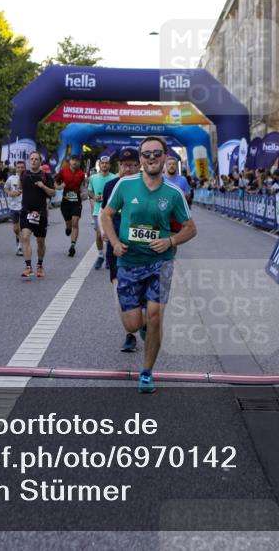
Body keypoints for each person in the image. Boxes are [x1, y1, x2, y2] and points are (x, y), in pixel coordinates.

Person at [99, 137, 197, 393]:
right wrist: (114, 242)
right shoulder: (125, 185)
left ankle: (146, 372)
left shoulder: (174, 193)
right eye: (146, 154)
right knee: (132, 324)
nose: (151, 158)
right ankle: (141, 327)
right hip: (129, 261)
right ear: (141, 159)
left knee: (154, 316)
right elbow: (106, 214)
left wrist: (171, 241)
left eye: (156, 153)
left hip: (159, 263)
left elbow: (190, 228)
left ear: (165, 157)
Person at [101, 149, 142, 351]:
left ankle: (142, 321)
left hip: (142, 250)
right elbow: (104, 214)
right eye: (125, 165)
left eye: (132, 165)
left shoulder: (147, 186)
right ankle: (130, 334)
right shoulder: (111, 186)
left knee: (142, 295)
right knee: (120, 295)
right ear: (119, 166)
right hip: (117, 249)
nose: (128, 169)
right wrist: (105, 232)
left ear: (139, 166)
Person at [19, 151, 56, 278]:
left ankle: (40, 265)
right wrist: (16, 191)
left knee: (40, 242)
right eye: (31, 159)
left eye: (36, 159)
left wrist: (43, 186)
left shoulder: (46, 176)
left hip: (41, 213)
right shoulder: (24, 174)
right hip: (26, 212)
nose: (33, 161)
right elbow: (20, 187)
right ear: (29, 161)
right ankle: (28, 267)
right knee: (25, 237)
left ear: (40, 162)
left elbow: (53, 193)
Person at [55, 154, 87, 257]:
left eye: (77, 160)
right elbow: (55, 183)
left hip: (76, 202)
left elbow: (82, 186)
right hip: (65, 202)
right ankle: (67, 227)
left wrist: (83, 192)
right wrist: (60, 187)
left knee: (75, 222)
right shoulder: (63, 171)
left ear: (79, 163)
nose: (75, 162)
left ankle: (72, 246)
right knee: (69, 223)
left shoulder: (81, 174)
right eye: (73, 160)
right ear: (70, 161)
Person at [88, 155, 116, 270]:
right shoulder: (93, 178)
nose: (104, 165)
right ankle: (100, 255)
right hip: (97, 211)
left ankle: (109, 257)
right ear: (99, 165)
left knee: (110, 234)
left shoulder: (115, 177)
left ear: (110, 165)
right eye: (102, 163)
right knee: (99, 234)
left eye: (106, 163)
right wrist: (94, 196)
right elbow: (90, 191)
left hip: (111, 211)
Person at [5, 159, 27, 254]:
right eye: (18, 167)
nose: (20, 169)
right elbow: (6, 188)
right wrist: (10, 193)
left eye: (22, 167)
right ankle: (19, 240)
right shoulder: (11, 178)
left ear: (25, 168)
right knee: (16, 229)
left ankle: (20, 246)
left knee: (23, 228)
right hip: (13, 206)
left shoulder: (28, 178)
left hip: (24, 206)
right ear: (16, 168)